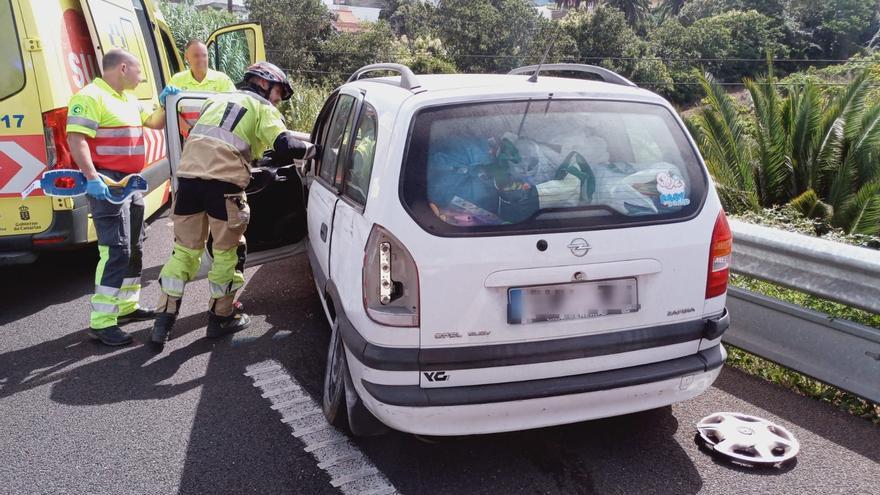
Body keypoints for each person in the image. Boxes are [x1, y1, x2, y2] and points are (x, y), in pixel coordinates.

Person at [150, 62, 314, 349]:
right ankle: (221, 318)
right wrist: (316, 149)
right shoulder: (262, 107)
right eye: (278, 92)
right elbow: (286, 145)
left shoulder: (216, 99)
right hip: (223, 186)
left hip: (187, 181)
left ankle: (163, 321)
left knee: (184, 252)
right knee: (228, 253)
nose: (278, 100)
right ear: (264, 84)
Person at [66, 49, 180, 346]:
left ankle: (127, 307)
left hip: (130, 184)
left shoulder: (128, 99)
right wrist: (92, 178)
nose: (142, 76)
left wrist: (167, 103)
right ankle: (102, 323)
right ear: (123, 68)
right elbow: (76, 139)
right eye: (139, 70)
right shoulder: (90, 97)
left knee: (135, 247)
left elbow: (154, 122)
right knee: (115, 250)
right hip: (107, 183)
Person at [167, 39, 236, 135]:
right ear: (187, 57)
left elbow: (234, 109)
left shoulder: (222, 80)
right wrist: (189, 132)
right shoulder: (177, 80)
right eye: (196, 56)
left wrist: (218, 133)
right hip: (187, 141)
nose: (201, 59)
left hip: (216, 140)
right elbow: (170, 111)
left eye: (204, 55)